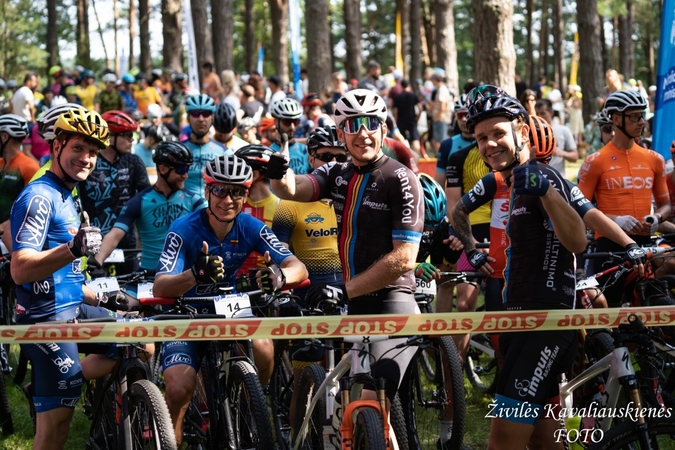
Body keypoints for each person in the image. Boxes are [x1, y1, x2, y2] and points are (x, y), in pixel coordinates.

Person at [267, 88, 423, 409]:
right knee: (343, 406)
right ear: (341, 132)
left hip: (393, 301)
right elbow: (292, 188)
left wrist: (344, 289)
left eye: (370, 123)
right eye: (352, 125)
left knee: (370, 404)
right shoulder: (336, 173)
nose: (362, 133)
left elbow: (405, 258)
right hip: (354, 305)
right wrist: (279, 171)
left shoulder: (401, 178)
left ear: (382, 128)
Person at [455, 85, 587, 450]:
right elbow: (459, 213)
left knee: (503, 440)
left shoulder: (545, 178)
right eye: (481, 138)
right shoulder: (506, 182)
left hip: (546, 326)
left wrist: (546, 192)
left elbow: (578, 242)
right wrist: (472, 249)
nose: (488, 144)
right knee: (545, 441)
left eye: (498, 133)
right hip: (517, 324)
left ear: (522, 132)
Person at [153, 153, 308, 446]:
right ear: (207, 191)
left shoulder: (250, 225)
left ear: (246, 194)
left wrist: (279, 277)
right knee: (178, 388)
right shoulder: (183, 229)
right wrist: (195, 275)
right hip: (187, 313)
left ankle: (247, 408)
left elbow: (297, 266)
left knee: (263, 347)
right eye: (220, 190)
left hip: (229, 308)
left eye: (237, 192)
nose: (228, 199)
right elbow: (160, 286)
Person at [8, 108, 122, 450]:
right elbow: (20, 268)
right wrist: (72, 249)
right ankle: (53, 386)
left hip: (72, 307)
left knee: (135, 341)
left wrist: (106, 299)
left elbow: (65, 278)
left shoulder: (66, 193)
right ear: (57, 147)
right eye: (78, 149)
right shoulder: (40, 196)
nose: (86, 158)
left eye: (92, 152)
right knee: (55, 432)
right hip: (45, 319)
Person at [578, 89, 670, 304]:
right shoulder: (596, 161)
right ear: (616, 119)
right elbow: (579, 208)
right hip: (609, 246)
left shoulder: (654, 159)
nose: (642, 122)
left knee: (647, 302)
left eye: (643, 116)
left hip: (644, 242)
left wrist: (656, 218)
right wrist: (615, 220)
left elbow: (665, 205)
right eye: (635, 117)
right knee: (610, 307)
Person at [96, 141, 204, 272]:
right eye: (181, 170)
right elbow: (114, 235)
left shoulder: (194, 201)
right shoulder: (139, 201)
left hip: (182, 274)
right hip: (148, 274)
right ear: (163, 169)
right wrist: (97, 261)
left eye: (187, 169)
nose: (185, 175)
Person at [79, 110, 150, 275]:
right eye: (126, 135)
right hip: (92, 243)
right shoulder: (90, 162)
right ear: (110, 137)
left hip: (127, 244)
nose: (132, 139)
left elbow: (146, 201)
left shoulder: (134, 162)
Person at [234, 144, 280, 275]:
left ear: (253, 175)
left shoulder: (283, 208)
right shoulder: (232, 206)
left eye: (239, 171)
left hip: (271, 284)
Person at [181, 94, 229, 195]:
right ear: (188, 118)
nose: (201, 119)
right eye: (195, 114)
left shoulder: (224, 152)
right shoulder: (179, 151)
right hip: (186, 207)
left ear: (212, 118)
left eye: (206, 114)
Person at [0, 114, 38, 233]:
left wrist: (1, 228)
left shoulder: (29, 167)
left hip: (14, 237)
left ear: (4, 136)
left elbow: (30, 210)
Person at [535, 98, 577, 177]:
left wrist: (562, 153)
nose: (539, 117)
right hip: (537, 180)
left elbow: (575, 157)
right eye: (537, 113)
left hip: (558, 180)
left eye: (543, 113)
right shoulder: (532, 133)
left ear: (551, 112)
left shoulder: (563, 130)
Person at [268, 97, 311, 175]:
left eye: (296, 122)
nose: (292, 127)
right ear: (275, 121)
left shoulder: (306, 151)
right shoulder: (268, 153)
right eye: (287, 122)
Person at [393, 79, 421, 155]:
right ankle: (417, 158)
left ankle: (405, 157)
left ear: (401, 86)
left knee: (402, 140)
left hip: (401, 121)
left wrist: (395, 121)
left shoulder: (398, 97)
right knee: (415, 139)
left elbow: (395, 111)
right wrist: (417, 118)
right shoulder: (413, 95)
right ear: (409, 86)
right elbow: (420, 108)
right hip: (412, 120)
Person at [431, 72, 452, 153]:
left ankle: (442, 157)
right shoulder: (441, 89)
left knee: (440, 141)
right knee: (436, 140)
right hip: (441, 118)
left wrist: (437, 117)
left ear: (435, 80)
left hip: (441, 118)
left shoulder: (442, 90)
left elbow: (442, 106)